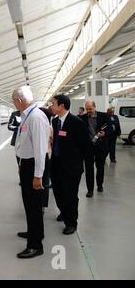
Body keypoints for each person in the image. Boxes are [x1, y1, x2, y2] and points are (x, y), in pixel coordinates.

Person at [12, 86, 50, 259]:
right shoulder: (28, 115)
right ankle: (36, 232)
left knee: (33, 205)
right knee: (30, 204)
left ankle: (35, 246)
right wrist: (21, 162)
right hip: (27, 164)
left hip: (34, 166)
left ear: (19, 100)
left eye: (14, 101)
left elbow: (41, 149)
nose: (14, 104)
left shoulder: (36, 117)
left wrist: (38, 175)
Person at [50, 95, 91, 235]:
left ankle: (71, 222)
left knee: (70, 195)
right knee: (58, 192)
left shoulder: (76, 122)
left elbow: (85, 145)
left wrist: (79, 165)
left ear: (61, 106)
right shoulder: (55, 122)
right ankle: (64, 211)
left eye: (53, 103)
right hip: (56, 164)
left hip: (71, 167)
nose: (52, 106)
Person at [80, 100, 111, 197]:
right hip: (88, 147)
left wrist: (104, 133)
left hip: (100, 145)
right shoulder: (82, 118)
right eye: (87, 109)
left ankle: (100, 184)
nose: (88, 110)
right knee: (89, 169)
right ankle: (90, 190)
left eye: (90, 108)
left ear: (95, 107)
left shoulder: (104, 116)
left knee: (100, 167)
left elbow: (110, 128)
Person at [38, 107, 53, 212]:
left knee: (42, 181)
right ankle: (42, 205)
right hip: (47, 155)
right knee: (45, 181)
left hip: (44, 156)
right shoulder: (50, 127)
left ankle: (41, 205)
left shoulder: (45, 127)